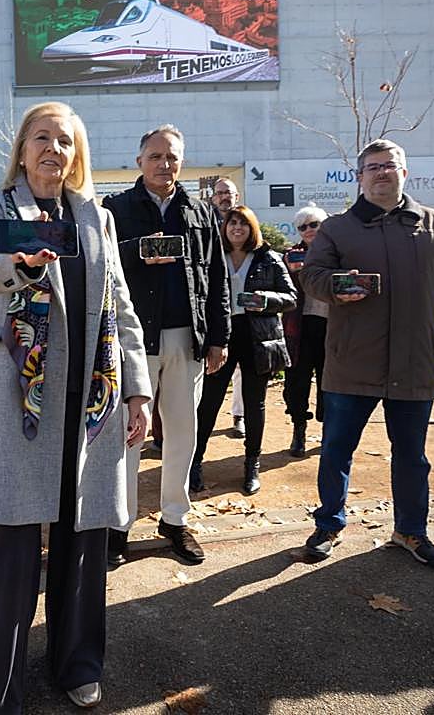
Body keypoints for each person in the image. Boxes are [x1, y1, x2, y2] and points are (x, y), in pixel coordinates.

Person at [0, 101, 151, 712]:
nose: (52, 151)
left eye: (64, 141)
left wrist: (139, 386)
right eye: (41, 138)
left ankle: (77, 663)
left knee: (85, 535)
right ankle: (3, 688)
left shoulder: (97, 215)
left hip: (93, 396)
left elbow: (118, 301)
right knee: (16, 543)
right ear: (22, 148)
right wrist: (17, 262)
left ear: (76, 153)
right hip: (23, 392)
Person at [298, 139, 434, 568]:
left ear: (405, 172)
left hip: (414, 361)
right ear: (359, 177)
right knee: (337, 448)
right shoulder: (337, 228)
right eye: (372, 167)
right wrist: (342, 286)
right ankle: (329, 522)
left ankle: (411, 531)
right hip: (351, 359)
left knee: (412, 456)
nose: (382, 173)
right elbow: (313, 278)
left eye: (390, 166)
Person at [102, 124, 230, 566]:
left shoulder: (200, 211)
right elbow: (101, 269)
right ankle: (118, 524)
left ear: (182, 160)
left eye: (172, 156)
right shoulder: (114, 209)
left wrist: (219, 337)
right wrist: (137, 249)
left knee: (181, 434)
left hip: (186, 339)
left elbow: (216, 279)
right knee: (127, 436)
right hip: (134, 341)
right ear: (139, 161)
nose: (164, 164)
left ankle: (174, 519)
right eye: (155, 156)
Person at [192, 206, 295, 496]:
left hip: (257, 336)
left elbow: (291, 298)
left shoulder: (268, 259)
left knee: (254, 403)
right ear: (224, 228)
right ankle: (195, 463)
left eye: (243, 224)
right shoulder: (214, 257)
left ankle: (252, 465)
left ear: (252, 228)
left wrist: (266, 300)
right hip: (220, 337)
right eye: (232, 223)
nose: (237, 228)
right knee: (209, 402)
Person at [282, 206, 330, 457]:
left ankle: (327, 430)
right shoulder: (290, 256)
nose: (309, 230)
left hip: (331, 327)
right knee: (297, 382)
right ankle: (298, 430)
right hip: (298, 327)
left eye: (314, 224)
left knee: (329, 382)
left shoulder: (339, 254)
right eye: (303, 227)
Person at [211, 177, 246, 437]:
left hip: (244, 315)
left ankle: (239, 416)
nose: (224, 197)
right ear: (213, 197)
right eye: (220, 193)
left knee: (241, 374)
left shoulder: (245, 223)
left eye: (229, 193)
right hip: (212, 312)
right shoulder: (205, 221)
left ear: (237, 197)